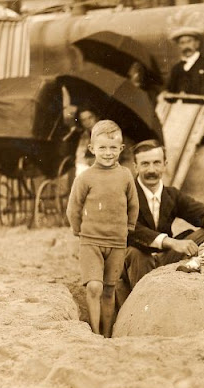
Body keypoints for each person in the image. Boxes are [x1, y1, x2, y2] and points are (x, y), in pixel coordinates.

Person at [116, 139, 204, 304]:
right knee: (137, 254)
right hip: (133, 262)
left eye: (157, 163)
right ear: (135, 166)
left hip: (164, 259)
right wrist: (170, 242)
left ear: (165, 164)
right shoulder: (126, 195)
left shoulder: (171, 195)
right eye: (145, 164)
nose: (151, 170)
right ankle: (144, 304)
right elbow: (131, 229)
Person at [66, 120, 139, 337]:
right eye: (102, 148)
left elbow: (133, 204)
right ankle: (95, 332)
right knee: (94, 287)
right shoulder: (85, 177)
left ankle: (108, 334)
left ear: (121, 149)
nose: (108, 153)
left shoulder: (125, 175)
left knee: (109, 289)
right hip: (91, 241)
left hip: (117, 241)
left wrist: (129, 227)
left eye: (113, 148)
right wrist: (78, 229)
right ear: (92, 149)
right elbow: (74, 207)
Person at [166, 26, 204, 136]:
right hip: (179, 120)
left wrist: (203, 118)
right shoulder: (176, 69)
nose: (186, 46)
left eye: (189, 41)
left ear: (197, 43)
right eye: (182, 43)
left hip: (202, 120)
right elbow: (169, 93)